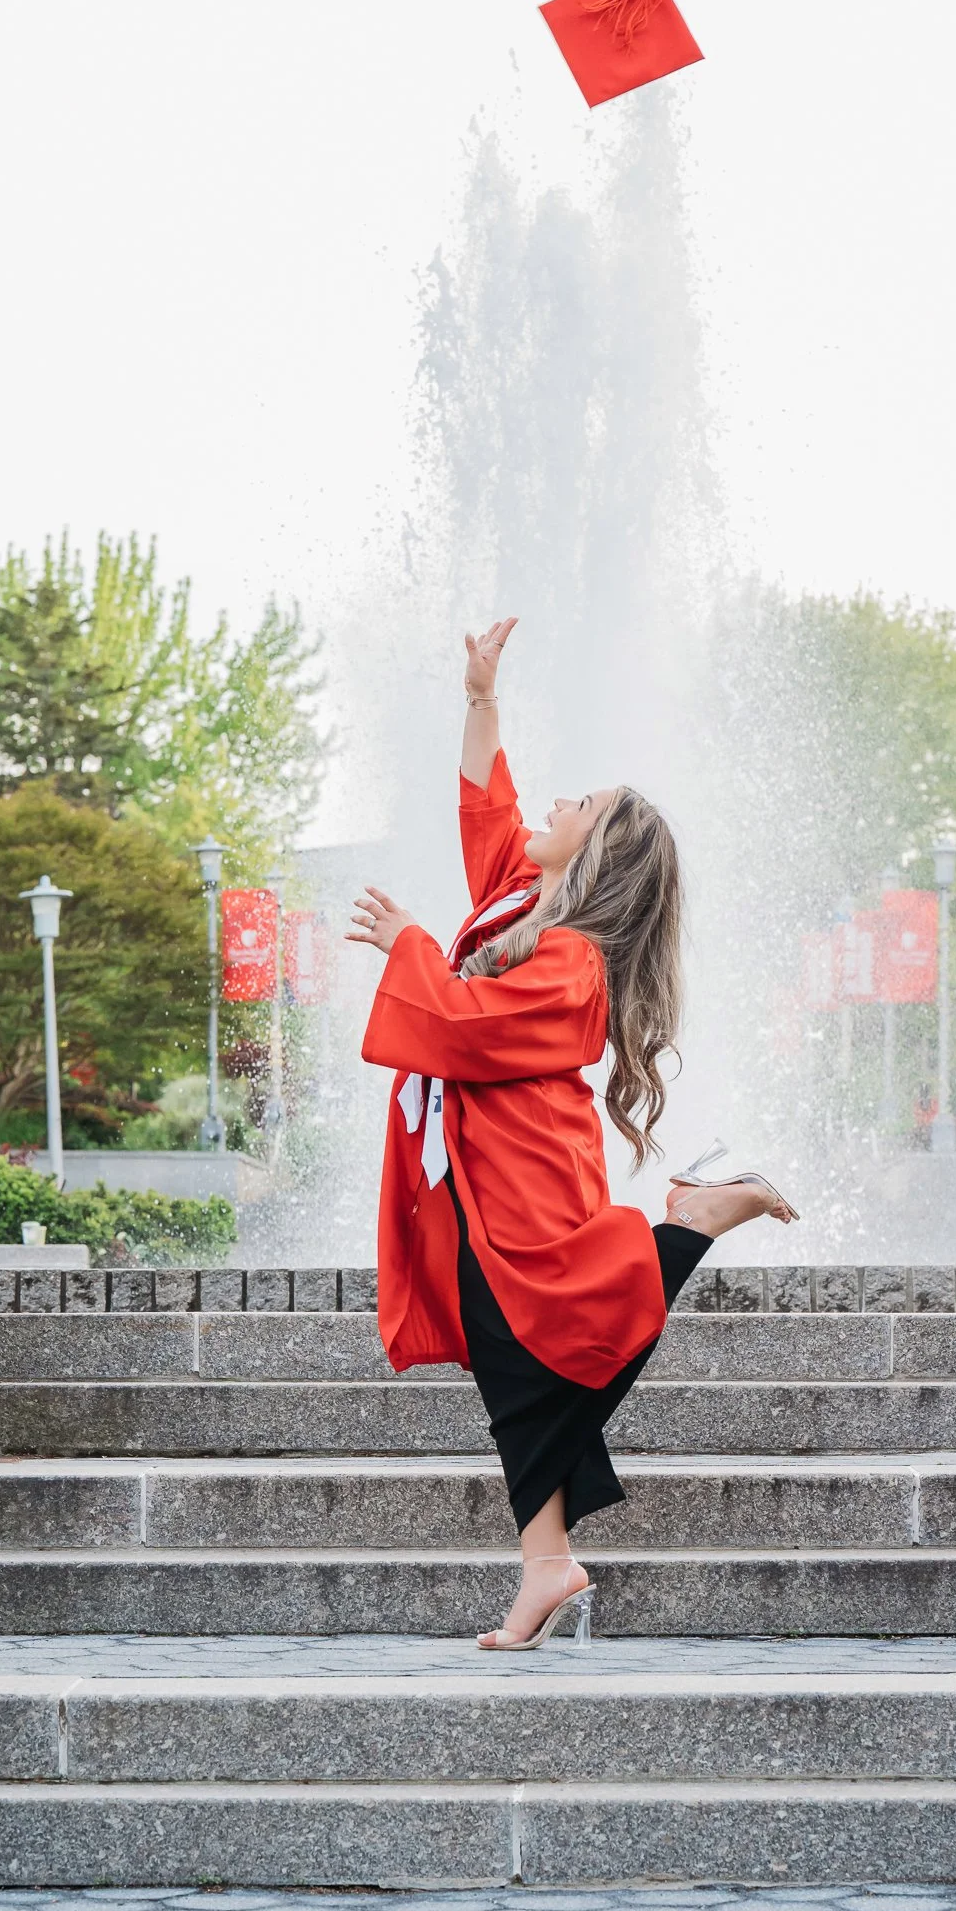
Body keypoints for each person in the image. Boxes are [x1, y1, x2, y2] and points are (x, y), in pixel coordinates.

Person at [349, 617, 797, 1651]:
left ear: (593, 850)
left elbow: (464, 1029)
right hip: (485, 1178)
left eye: (578, 803)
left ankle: (690, 1225)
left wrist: (409, 941)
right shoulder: (523, 902)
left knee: (541, 1354)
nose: (552, 801)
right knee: (516, 1366)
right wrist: (477, 697)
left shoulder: (571, 962)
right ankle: (545, 1563)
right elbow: (487, 808)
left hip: (527, 1188)